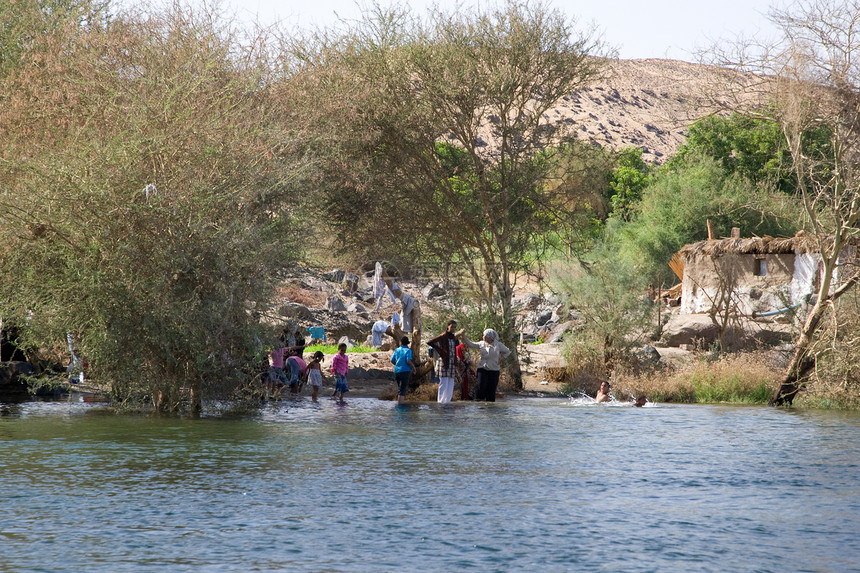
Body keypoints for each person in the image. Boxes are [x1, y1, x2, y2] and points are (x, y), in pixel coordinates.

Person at [459, 328, 510, 402]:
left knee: (491, 389)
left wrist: (501, 358)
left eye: (484, 336)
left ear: (490, 337)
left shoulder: (498, 345)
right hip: (482, 368)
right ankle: (480, 405)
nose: (483, 337)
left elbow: (507, 352)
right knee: (481, 387)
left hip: (494, 370)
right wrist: (464, 336)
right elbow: (471, 344)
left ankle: (490, 408)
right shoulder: (481, 343)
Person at [428, 320, 459, 404]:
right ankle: (440, 402)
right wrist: (440, 351)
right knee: (444, 383)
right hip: (444, 361)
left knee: (451, 383)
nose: (453, 329)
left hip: (452, 362)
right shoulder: (443, 336)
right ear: (448, 326)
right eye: (452, 327)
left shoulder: (453, 337)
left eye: (455, 327)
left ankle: (447, 402)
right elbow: (430, 342)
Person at [390, 336, 416, 404]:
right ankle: (401, 404)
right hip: (405, 371)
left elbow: (392, 360)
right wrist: (413, 367)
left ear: (400, 342)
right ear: (407, 343)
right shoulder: (408, 350)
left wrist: (398, 365)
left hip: (397, 371)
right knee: (403, 388)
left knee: (400, 388)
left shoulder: (397, 350)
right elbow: (408, 360)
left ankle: (399, 404)